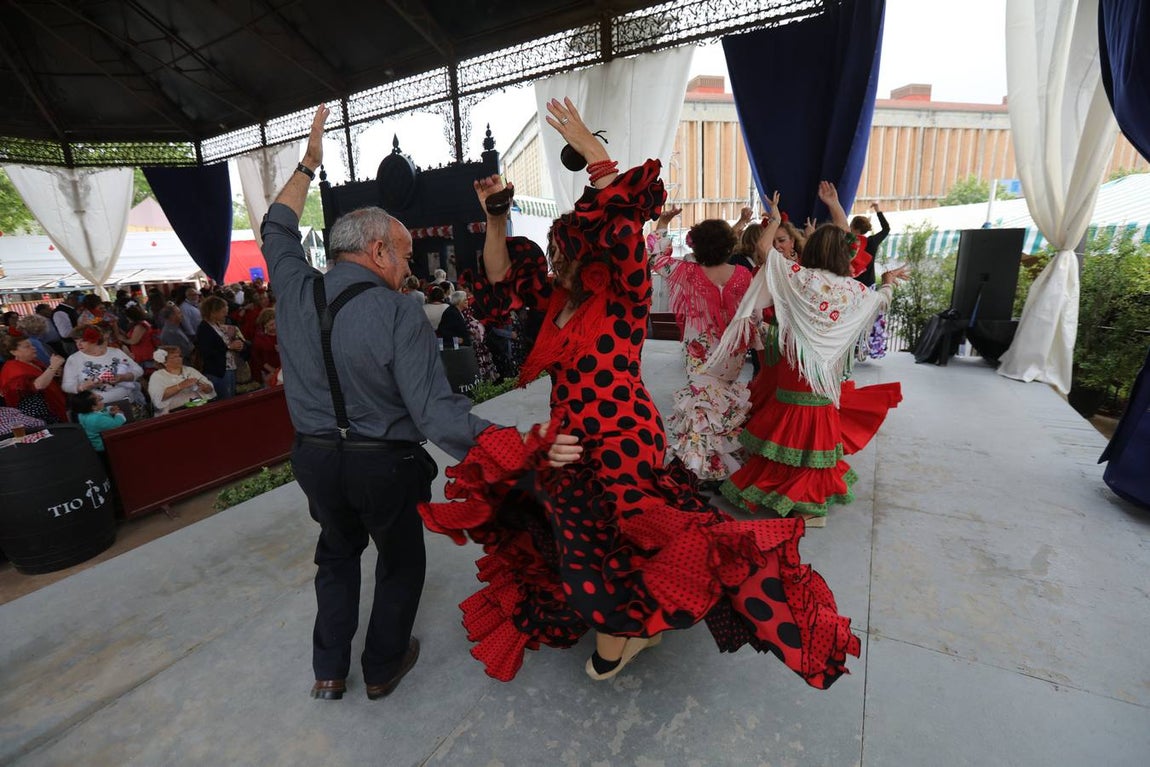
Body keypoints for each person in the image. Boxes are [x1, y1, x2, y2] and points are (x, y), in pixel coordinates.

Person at [420, 97, 860, 688]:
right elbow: (498, 276)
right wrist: (497, 217)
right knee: (575, 536)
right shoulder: (555, 302)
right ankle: (631, 625)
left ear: (592, 251)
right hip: (569, 436)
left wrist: (596, 156)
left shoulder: (623, 295)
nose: (559, 254)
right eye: (556, 246)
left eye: (569, 245)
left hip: (621, 433)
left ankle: (623, 631)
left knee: (615, 534)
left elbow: (624, 226)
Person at [259, 105, 581, 703]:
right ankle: (382, 666)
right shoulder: (400, 311)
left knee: (336, 554)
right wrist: (513, 445)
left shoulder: (294, 288)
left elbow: (275, 227)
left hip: (315, 459)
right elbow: (435, 414)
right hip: (384, 464)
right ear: (379, 250)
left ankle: (329, 670)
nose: (409, 268)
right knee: (400, 560)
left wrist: (307, 165)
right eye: (406, 256)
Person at [709, 185, 908, 526]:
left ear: (810, 248)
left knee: (787, 422)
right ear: (845, 255)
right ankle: (806, 497)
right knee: (814, 427)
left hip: (793, 364)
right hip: (825, 373)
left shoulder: (799, 278)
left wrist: (774, 218)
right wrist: (887, 281)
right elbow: (881, 299)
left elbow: (762, 250)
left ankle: (780, 487)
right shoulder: (855, 291)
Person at [649, 210, 753, 486]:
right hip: (731, 351)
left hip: (700, 351)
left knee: (701, 405)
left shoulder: (687, 272)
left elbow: (655, 260)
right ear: (729, 247)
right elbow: (751, 315)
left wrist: (663, 223)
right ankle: (726, 466)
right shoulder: (743, 275)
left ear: (696, 246)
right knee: (724, 404)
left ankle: (699, 469)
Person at [61, 325, 145, 416]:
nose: (78, 344)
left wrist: (122, 377)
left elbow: (138, 370)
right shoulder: (74, 359)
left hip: (128, 402)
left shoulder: (115, 352)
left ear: (95, 339)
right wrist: (83, 386)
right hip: (100, 410)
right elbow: (66, 386)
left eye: (83, 341)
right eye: (76, 341)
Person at [1, 335, 67, 422]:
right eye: (27, 346)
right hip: (38, 416)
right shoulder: (13, 369)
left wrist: (55, 373)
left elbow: (46, 378)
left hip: (53, 408)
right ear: (14, 352)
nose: (33, 348)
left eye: (32, 345)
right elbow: (38, 385)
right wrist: (53, 367)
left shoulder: (33, 362)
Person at [195, 295, 245, 400]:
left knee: (232, 397)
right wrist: (229, 346)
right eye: (223, 312)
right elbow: (207, 352)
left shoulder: (216, 325)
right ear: (213, 312)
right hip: (218, 371)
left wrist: (236, 345)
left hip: (229, 367)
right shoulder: (204, 329)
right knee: (226, 400)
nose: (226, 315)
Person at [147, 346, 215, 415]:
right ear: (164, 362)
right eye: (174, 357)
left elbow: (210, 389)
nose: (179, 359)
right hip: (173, 414)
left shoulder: (190, 370)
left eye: (180, 356)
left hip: (198, 408)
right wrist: (180, 386)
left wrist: (204, 387)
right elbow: (158, 397)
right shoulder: (157, 376)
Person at [249, 308, 280, 386]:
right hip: (268, 373)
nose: (275, 327)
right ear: (264, 325)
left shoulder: (283, 334)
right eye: (271, 325)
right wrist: (273, 371)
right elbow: (258, 359)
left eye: (276, 323)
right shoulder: (259, 339)